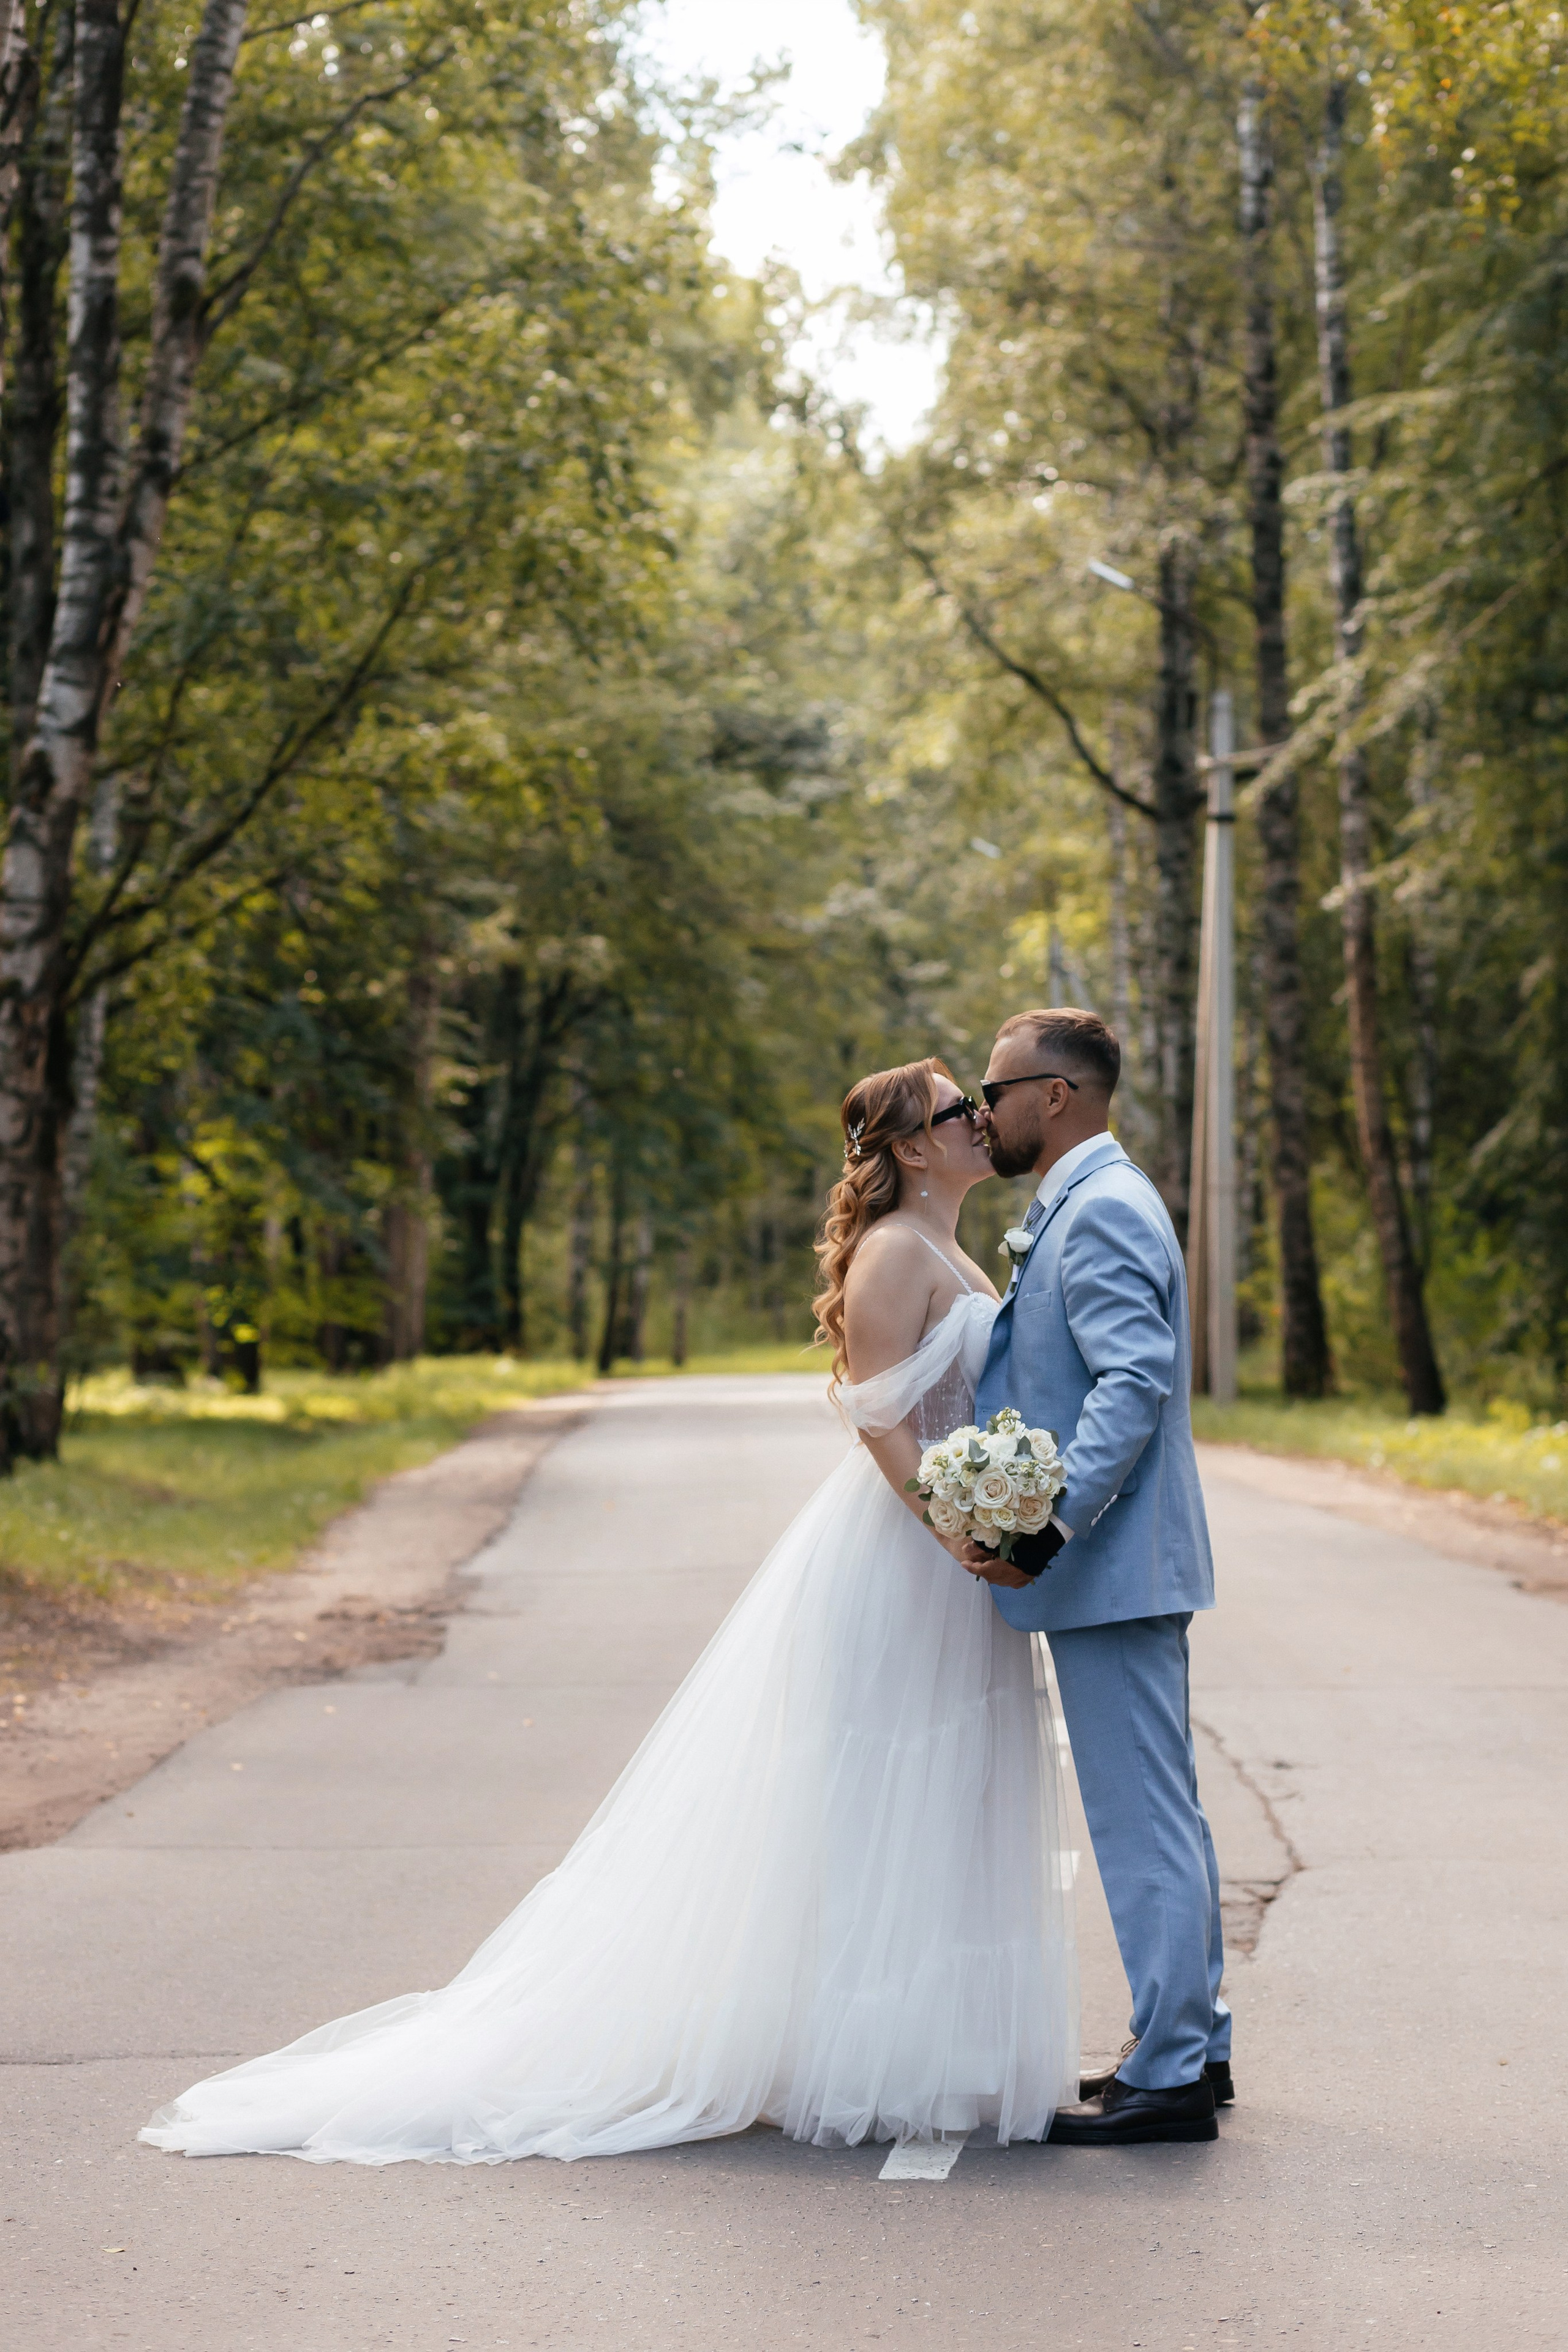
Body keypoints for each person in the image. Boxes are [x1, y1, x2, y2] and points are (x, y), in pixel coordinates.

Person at [140, 1057, 1077, 2165]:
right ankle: (855, 2049)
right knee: (889, 1787)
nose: (979, 1116)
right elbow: (879, 1419)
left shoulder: (948, 1244)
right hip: (905, 1557)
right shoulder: (890, 1253)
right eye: (956, 1109)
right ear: (915, 1147)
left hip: (947, 1554)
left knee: (950, 1789)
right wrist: (953, 1525)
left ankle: (926, 2043)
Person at [959, 1006, 1230, 2147]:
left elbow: (1134, 1382)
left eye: (999, 1087)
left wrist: (1050, 1522)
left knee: (1140, 1818)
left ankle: (1169, 2073)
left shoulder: (1104, 1208)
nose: (987, 1109)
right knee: (1160, 1810)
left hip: (1113, 1566)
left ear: (1055, 1094)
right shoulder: (1086, 1201)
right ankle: (1189, 2047)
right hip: (1121, 1572)